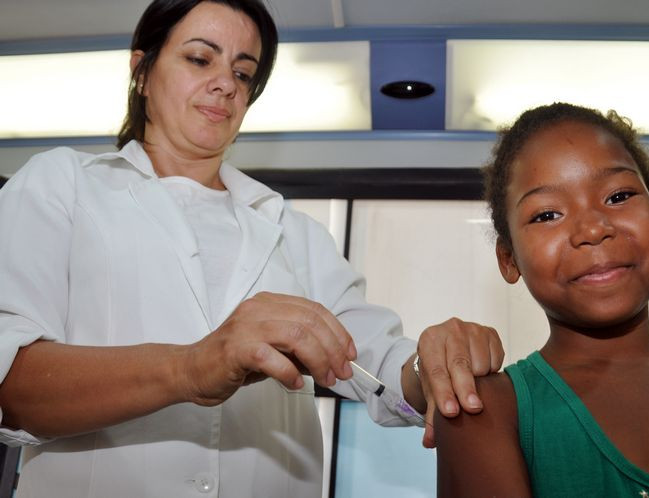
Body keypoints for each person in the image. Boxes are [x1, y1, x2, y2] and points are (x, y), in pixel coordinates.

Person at [0, 1, 504, 496]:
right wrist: (192, 366)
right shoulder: (60, 185)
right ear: (142, 69)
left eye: (244, 73)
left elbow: (376, 366)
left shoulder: (294, 232)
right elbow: (12, 385)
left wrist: (434, 364)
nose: (225, 83)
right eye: (201, 59)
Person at [435, 102, 649, 497]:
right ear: (509, 258)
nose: (593, 229)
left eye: (618, 196)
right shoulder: (484, 410)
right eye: (547, 215)